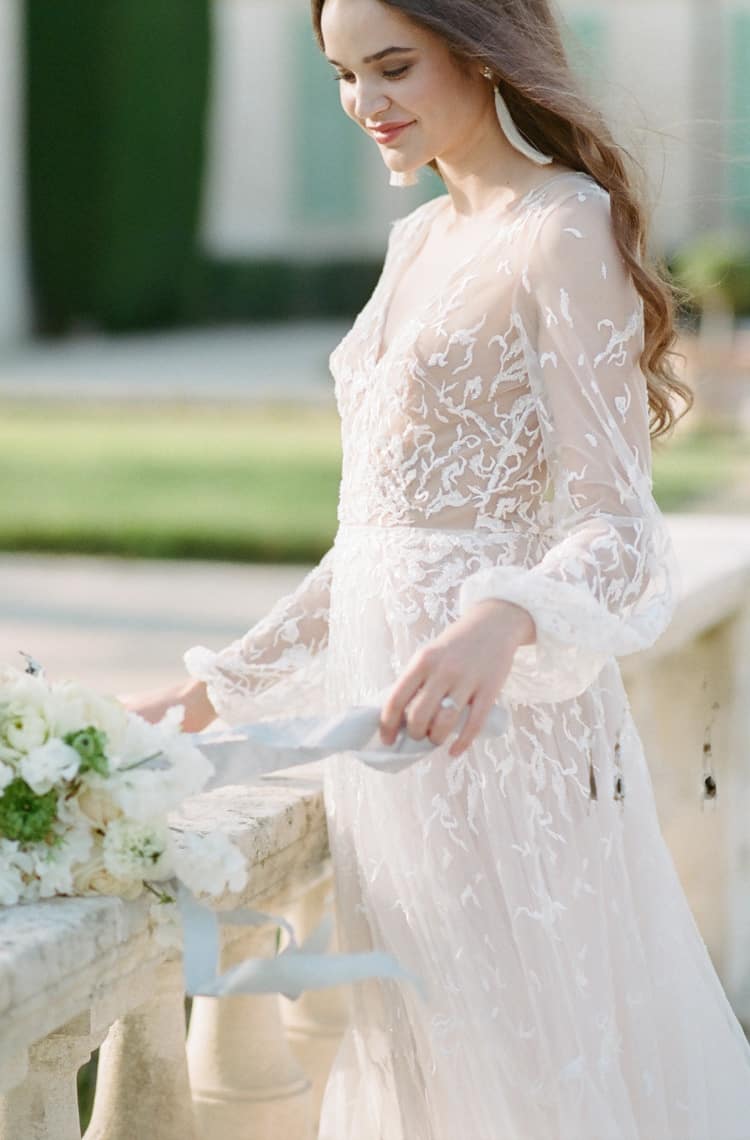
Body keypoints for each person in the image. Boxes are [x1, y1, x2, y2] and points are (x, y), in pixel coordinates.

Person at [125, 0, 750, 1135]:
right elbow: (378, 538)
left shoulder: (562, 224)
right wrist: (213, 684)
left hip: (498, 735)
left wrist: (501, 618)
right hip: (393, 744)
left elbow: (619, 529)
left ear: (483, 48)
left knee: (521, 1064)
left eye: (393, 66)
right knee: (426, 1068)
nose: (367, 104)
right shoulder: (419, 238)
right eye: (342, 77)